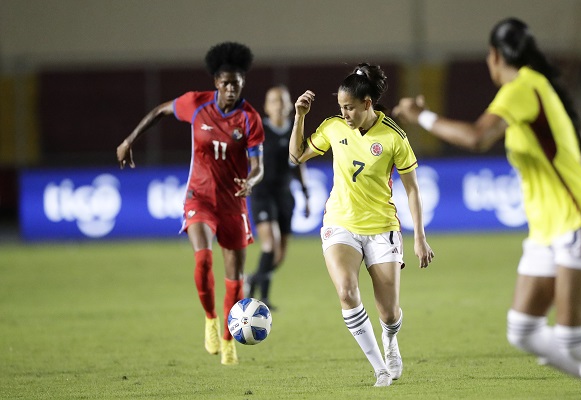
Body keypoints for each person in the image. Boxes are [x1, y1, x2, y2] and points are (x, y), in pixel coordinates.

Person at [393, 17, 581, 393]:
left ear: (494, 56)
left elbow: (476, 137)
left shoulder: (522, 87)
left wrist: (419, 115)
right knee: (523, 330)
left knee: (574, 338)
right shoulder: (540, 89)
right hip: (548, 230)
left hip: (574, 222)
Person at [116, 42, 265, 366]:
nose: (230, 88)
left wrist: (250, 182)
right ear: (215, 82)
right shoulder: (195, 104)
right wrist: (129, 140)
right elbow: (158, 111)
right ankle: (211, 320)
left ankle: (228, 339)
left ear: (243, 82)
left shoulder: (250, 118)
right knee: (202, 261)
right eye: (224, 82)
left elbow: (258, 164)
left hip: (233, 205)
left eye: (236, 82)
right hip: (199, 199)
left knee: (235, 279)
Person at [289, 63, 435, 387]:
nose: (344, 114)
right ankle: (380, 368)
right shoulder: (332, 128)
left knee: (389, 313)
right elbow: (296, 155)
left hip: (382, 227)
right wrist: (299, 116)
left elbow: (412, 189)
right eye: (341, 107)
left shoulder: (394, 137)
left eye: (350, 108)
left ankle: (391, 341)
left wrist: (420, 238)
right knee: (346, 290)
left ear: (367, 104)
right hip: (340, 223)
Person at [246, 85, 310, 309]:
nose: (279, 105)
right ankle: (262, 297)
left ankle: (252, 280)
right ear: (266, 106)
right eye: (273, 101)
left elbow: (298, 163)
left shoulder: (295, 130)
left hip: (284, 196)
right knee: (270, 244)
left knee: (280, 255)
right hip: (262, 194)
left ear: (289, 104)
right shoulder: (259, 130)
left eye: (282, 100)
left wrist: (305, 193)